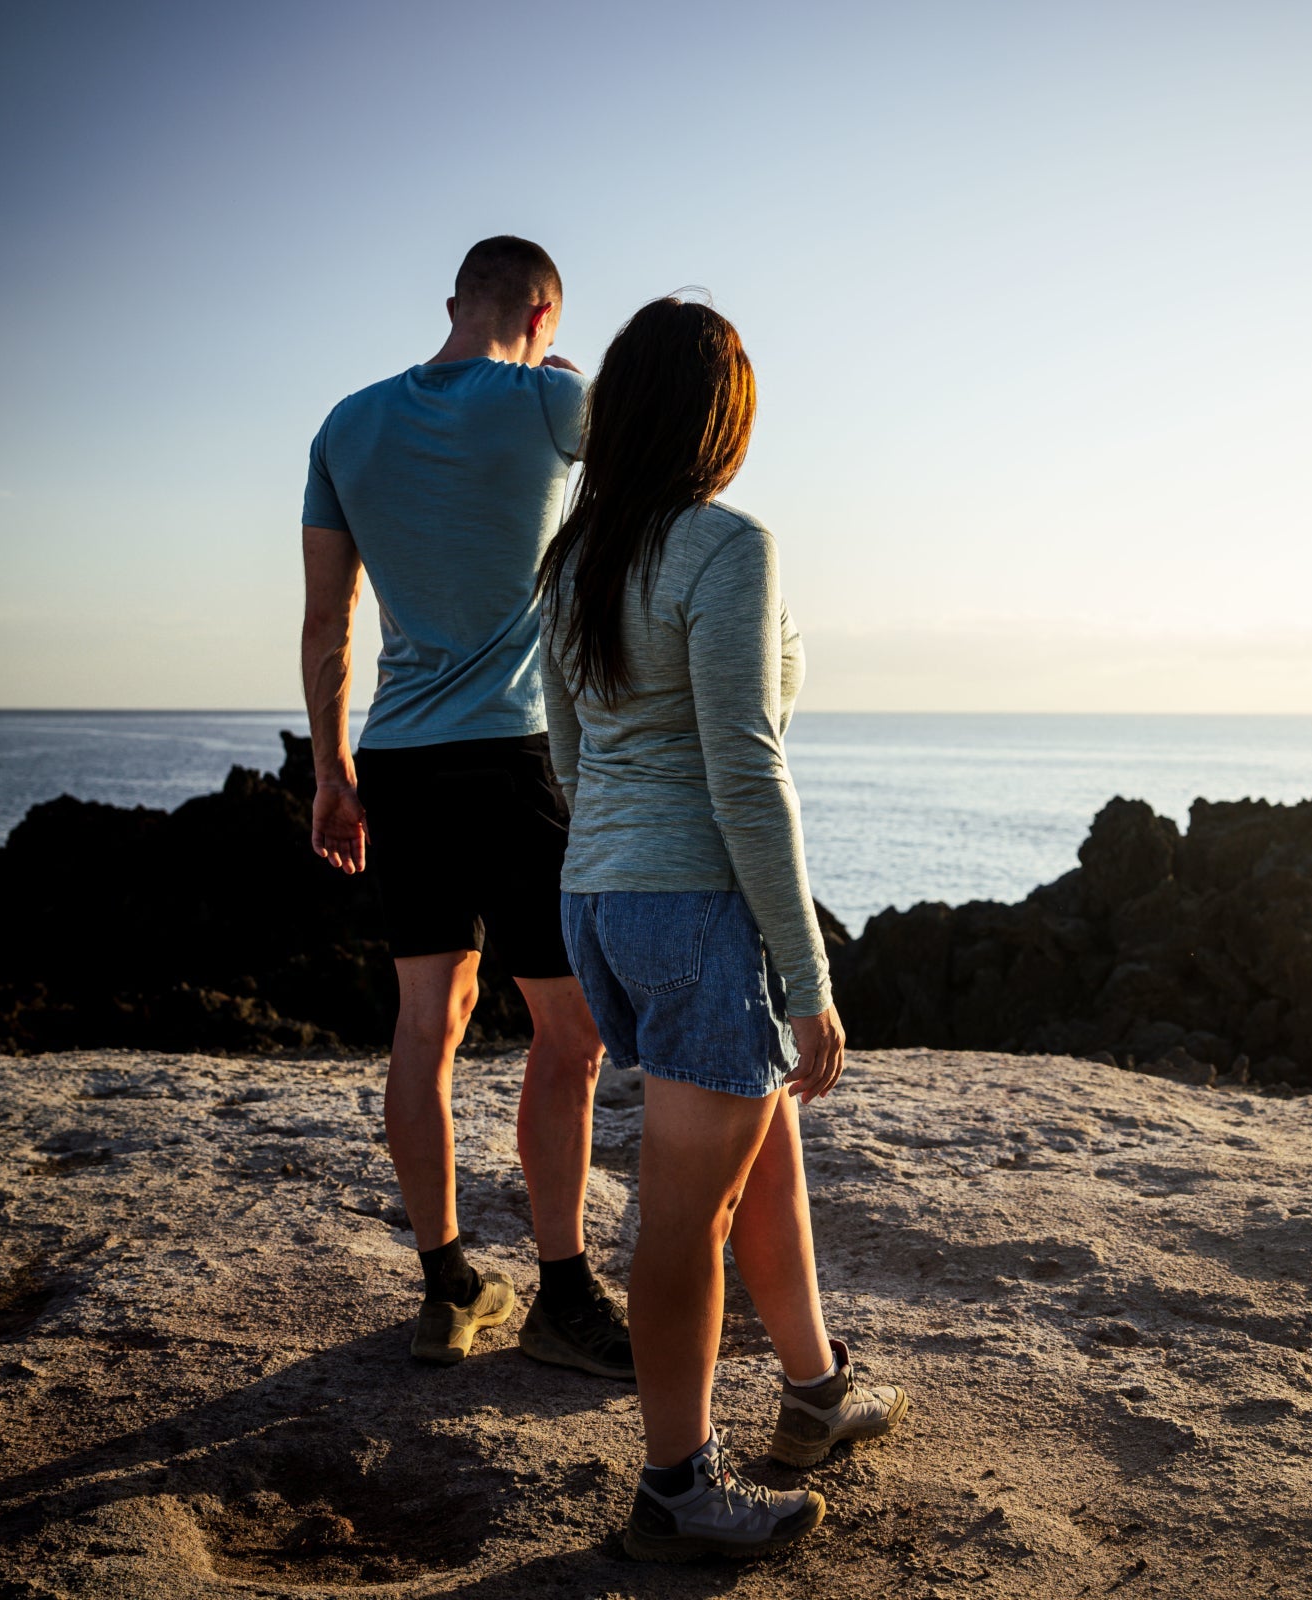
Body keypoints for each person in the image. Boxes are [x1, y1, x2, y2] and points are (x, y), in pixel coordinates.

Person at [539, 296, 909, 1562]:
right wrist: (807, 977)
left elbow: (573, 757)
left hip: (600, 896)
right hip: (695, 905)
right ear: (718, 420)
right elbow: (747, 768)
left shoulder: (578, 554)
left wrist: (623, 871)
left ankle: (815, 1393)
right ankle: (676, 1488)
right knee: (684, 1214)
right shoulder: (724, 545)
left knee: (764, 1146)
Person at [298, 236, 632, 1378]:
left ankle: (446, 1286)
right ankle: (565, 1292)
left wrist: (331, 773)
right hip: (516, 757)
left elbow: (326, 626)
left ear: (454, 303)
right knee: (571, 1034)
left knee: (424, 1023)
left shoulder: (345, 424)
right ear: (542, 313)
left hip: (398, 756)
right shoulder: (554, 402)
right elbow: (640, 486)